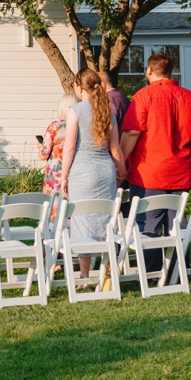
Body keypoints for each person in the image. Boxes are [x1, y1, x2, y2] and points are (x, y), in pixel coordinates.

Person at [121, 51, 191, 270]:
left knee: (149, 224)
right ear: (171, 71)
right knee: (177, 223)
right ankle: (178, 269)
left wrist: (120, 161)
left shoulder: (144, 96)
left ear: (149, 70)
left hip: (150, 172)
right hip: (182, 170)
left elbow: (131, 133)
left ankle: (151, 271)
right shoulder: (190, 98)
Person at [60, 68, 128, 279]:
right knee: (106, 218)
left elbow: (69, 147)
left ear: (79, 88)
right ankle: (108, 270)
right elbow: (115, 149)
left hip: (82, 172)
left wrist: (64, 175)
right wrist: (122, 170)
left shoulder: (76, 110)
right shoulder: (108, 112)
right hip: (105, 171)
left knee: (82, 220)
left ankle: (85, 275)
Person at [39, 91, 77, 194]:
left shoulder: (55, 126)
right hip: (75, 173)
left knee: (54, 202)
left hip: (55, 175)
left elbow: (43, 155)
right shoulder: (80, 126)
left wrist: (41, 147)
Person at [99, 71, 131, 140]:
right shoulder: (122, 97)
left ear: (102, 84)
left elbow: (109, 126)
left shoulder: (107, 99)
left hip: (113, 142)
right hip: (125, 139)